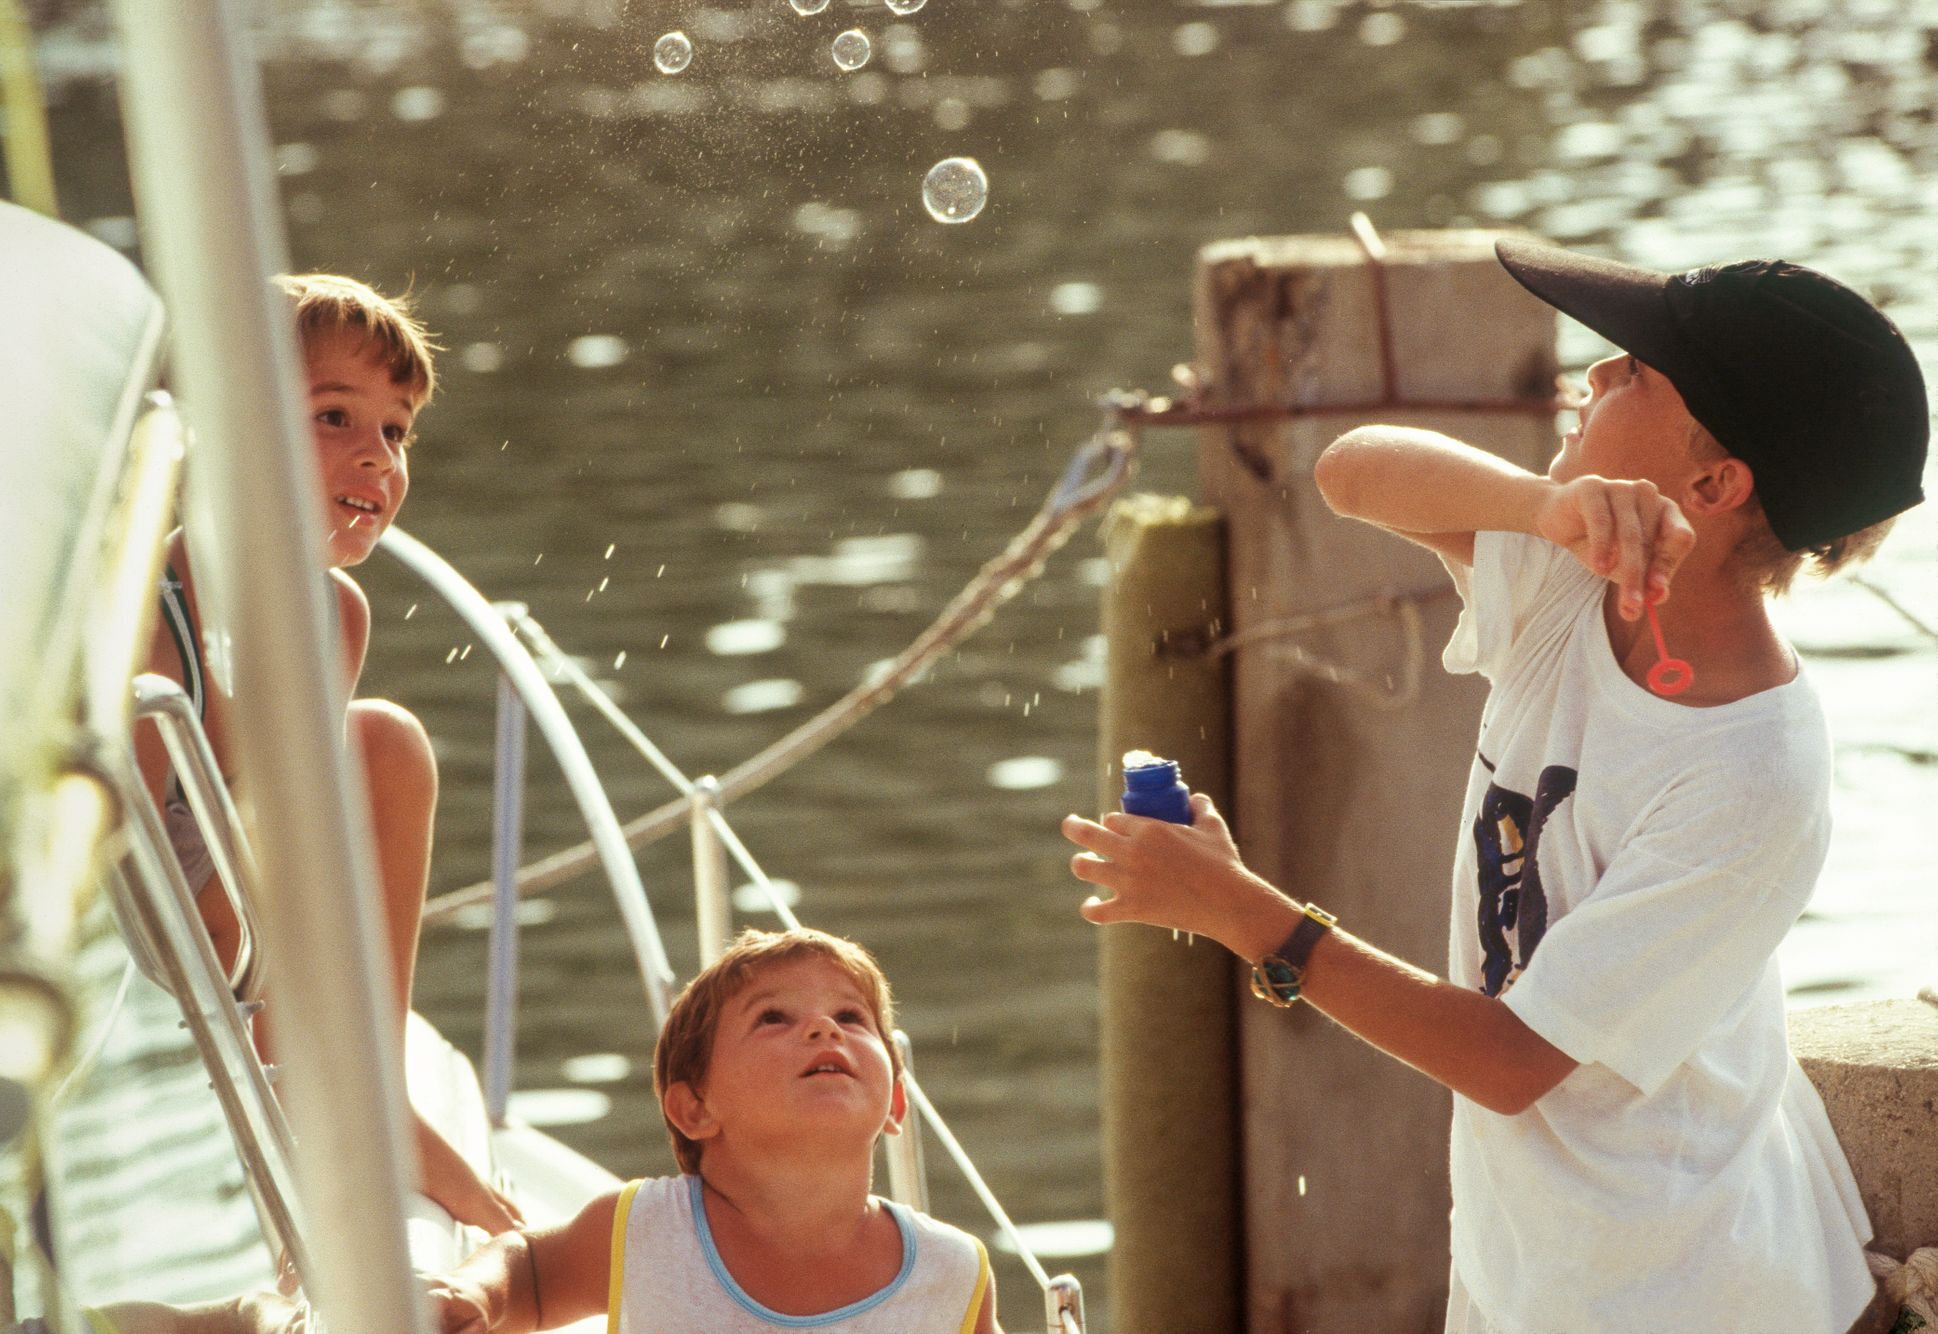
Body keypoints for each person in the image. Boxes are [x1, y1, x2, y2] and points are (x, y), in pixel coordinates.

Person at [1062, 238, 1927, 1333]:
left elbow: (1512, 1059)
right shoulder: (1572, 580)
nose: (1592, 373)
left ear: (1713, 484)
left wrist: (1241, 910)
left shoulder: (1755, 773)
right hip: (1534, 1262)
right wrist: (1541, 505)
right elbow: (1349, 470)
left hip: (1687, 1289)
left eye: (1634, 371)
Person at [132, 274, 521, 1234]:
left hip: (254, 925)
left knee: (387, 741)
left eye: (396, 431)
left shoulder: (334, 613)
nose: (377, 456)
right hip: (154, 948)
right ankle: (306, 1103)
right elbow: (121, 895)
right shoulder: (148, 624)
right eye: (334, 417)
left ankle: (372, 1096)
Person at [423, 927, 1000, 1333]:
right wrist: (477, 1292)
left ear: (895, 1101)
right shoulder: (645, 1229)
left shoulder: (951, 1270)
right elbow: (529, 1268)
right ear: (695, 1108)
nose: (824, 1028)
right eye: (773, 1017)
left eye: (850, 1016)